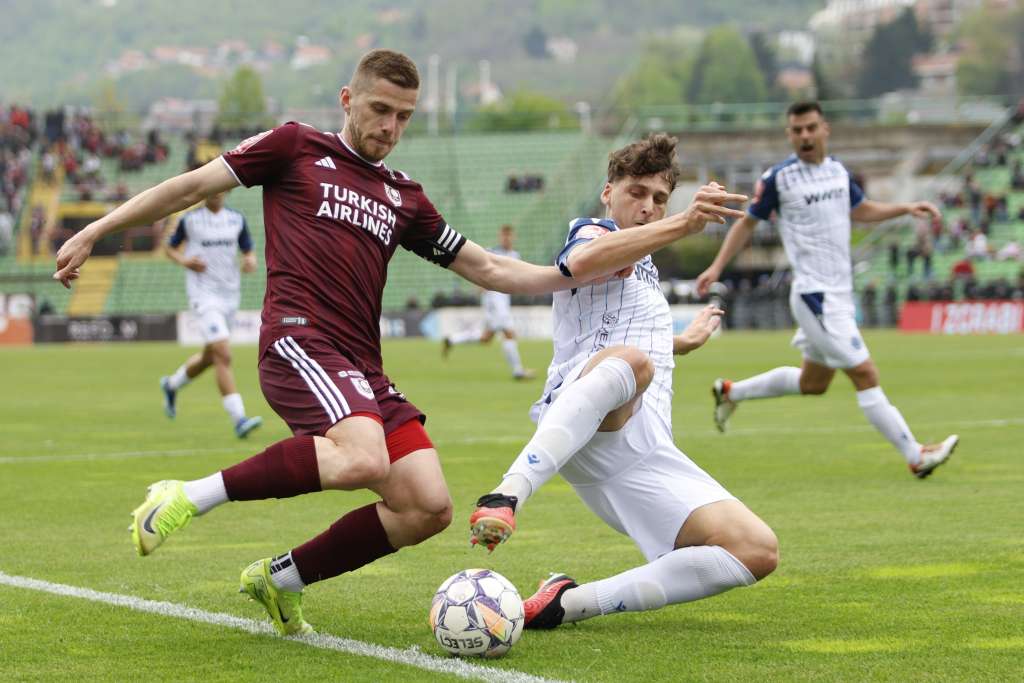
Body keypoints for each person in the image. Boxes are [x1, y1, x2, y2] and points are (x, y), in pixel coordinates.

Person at [53, 49, 649, 637]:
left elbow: (488, 267)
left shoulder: (403, 196)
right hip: (299, 340)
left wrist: (574, 272)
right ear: (347, 99)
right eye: (380, 109)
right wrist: (96, 230)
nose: (391, 127)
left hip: (363, 367)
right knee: (364, 457)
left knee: (427, 506)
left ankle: (280, 580)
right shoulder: (294, 146)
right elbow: (191, 187)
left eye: (404, 116)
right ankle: (188, 495)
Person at [468, 134, 779, 630]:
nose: (648, 206)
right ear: (608, 193)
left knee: (755, 550)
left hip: (645, 448)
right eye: (636, 192)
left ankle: (567, 604)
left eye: (660, 198)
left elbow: (627, 328)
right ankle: (508, 493)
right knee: (633, 364)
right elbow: (582, 263)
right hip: (587, 414)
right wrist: (685, 223)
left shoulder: (645, 267)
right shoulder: (592, 230)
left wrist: (680, 343)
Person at [695, 101, 958, 479]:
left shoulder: (837, 170)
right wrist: (717, 266)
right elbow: (747, 224)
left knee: (813, 383)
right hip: (814, 297)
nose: (804, 135)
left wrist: (904, 208)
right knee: (865, 373)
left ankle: (730, 392)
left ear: (824, 129)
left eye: (810, 128)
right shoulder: (778, 179)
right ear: (789, 135)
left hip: (839, 295)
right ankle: (916, 455)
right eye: (797, 130)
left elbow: (860, 209)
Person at [159, 190, 263, 439]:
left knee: (211, 356)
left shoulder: (236, 219)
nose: (215, 191)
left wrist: (250, 261)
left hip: (230, 296)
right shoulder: (190, 220)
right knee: (223, 354)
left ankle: (171, 385)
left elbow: (248, 250)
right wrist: (184, 261)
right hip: (203, 296)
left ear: (227, 190)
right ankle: (239, 418)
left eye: (220, 187)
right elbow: (169, 248)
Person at [442, 224, 535, 380]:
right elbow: (481, 271)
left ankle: (453, 339)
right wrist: (481, 286)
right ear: (500, 237)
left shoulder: (515, 255)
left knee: (486, 338)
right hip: (494, 300)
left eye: (509, 235)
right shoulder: (492, 253)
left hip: (503, 300)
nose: (507, 239)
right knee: (509, 333)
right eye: (504, 235)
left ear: (514, 237)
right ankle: (518, 371)